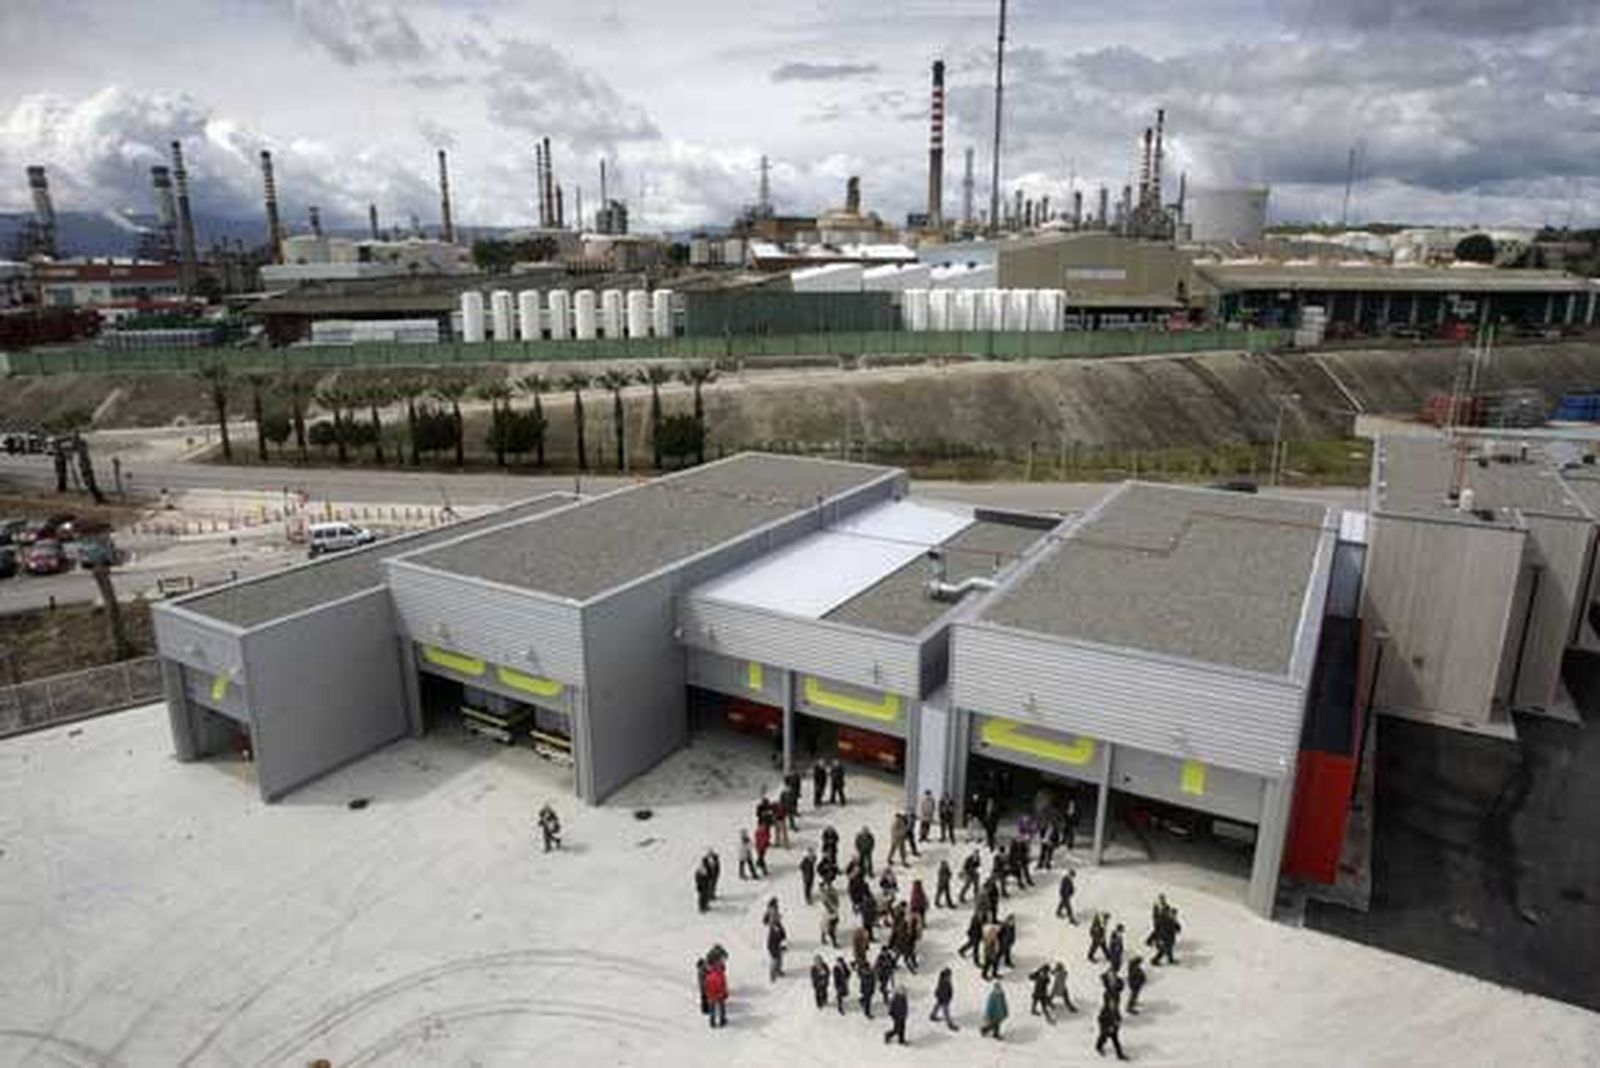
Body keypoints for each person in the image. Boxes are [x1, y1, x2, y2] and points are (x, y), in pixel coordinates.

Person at [930, 966, 959, 1031]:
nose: (950, 977)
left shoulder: (944, 980)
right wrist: (946, 998)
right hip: (944, 998)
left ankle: (933, 1015)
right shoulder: (944, 982)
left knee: (937, 1006)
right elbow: (943, 991)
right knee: (946, 1012)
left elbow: (947, 990)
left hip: (942, 997)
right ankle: (950, 1024)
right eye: (949, 976)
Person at [884, 982, 910, 1046]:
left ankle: (901, 1040)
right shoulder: (896, 998)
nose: (904, 992)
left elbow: (905, 1007)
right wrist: (892, 1014)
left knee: (902, 1029)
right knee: (897, 1029)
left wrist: (905, 1014)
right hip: (897, 1016)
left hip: (902, 1016)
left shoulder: (903, 997)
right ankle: (888, 1035)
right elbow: (892, 1007)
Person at [705, 961, 728, 1029]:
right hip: (719, 994)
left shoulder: (709, 974)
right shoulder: (721, 975)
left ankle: (712, 1022)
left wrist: (707, 994)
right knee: (722, 1008)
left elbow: (707, 985)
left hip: (711, 994)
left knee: (712, 1009)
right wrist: (724, 993)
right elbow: (723, 985)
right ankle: (722, 1021)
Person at [767, 916, 787, 982]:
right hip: (773, 947)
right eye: (778, 918)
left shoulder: (778, 925)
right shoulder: (774, 927)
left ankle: (778, 971)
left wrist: (783, 943)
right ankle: (772, 975)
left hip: (777, 945)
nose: (779, 919)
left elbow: (782, 934)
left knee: (779, 960)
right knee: (775, 960)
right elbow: (778, 936)